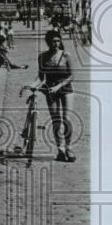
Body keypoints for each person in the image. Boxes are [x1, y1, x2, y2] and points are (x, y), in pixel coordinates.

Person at [30, 30, 76, 162]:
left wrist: (59, 86)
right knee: (56, 120)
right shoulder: (43, 57)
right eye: (53, 41)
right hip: (50, 91)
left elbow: (72, 75)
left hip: (66, 89)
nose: (55, 43)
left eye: (57, 40)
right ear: (48, 42)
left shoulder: (66, 55)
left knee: (66, 119)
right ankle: (60, 149)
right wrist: (33, 84)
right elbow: (40, 76)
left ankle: (69, 147)